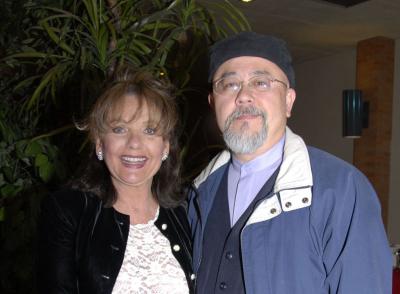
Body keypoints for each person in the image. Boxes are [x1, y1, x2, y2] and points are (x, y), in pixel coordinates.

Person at [188, 31, 392, 294]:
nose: (244, 96)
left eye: (261, 83)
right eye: (229, 85)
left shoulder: (341, 190)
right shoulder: (198, 193)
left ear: (288, 101)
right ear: (213, 102)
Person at [37, 67, 194, 293]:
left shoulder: (185, 214)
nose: (134, 143)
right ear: (100, 143)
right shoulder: (68, 213)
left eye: (149, 130)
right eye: (120, 129)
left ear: (166, 146)